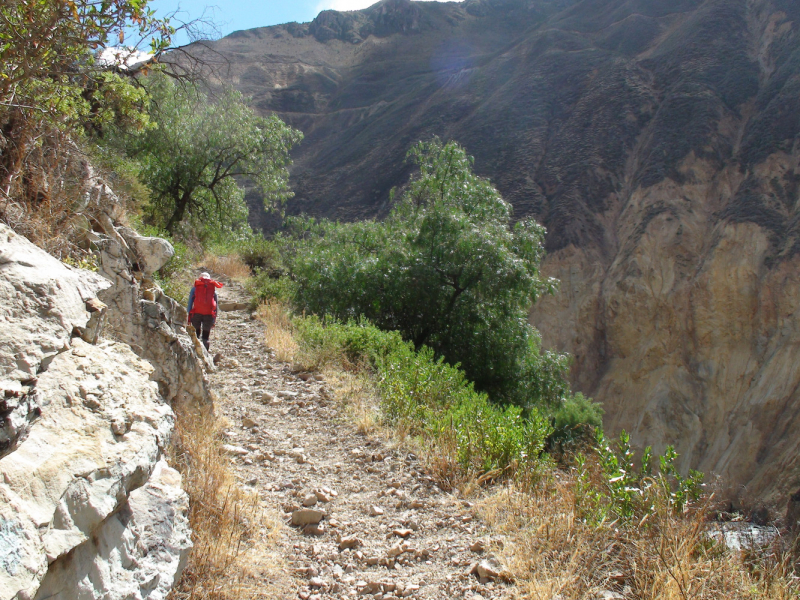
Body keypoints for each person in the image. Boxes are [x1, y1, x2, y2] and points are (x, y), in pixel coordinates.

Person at [187, 272, 224, 351]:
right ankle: (206, 355)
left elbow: (190, 302)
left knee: (196, 335)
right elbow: (216, 306)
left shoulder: (195, 288)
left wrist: (188, 316)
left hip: (196, 313)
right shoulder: (213, 289)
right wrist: (214, 319)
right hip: (209, 315)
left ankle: (195, 353)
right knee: (205, 337)